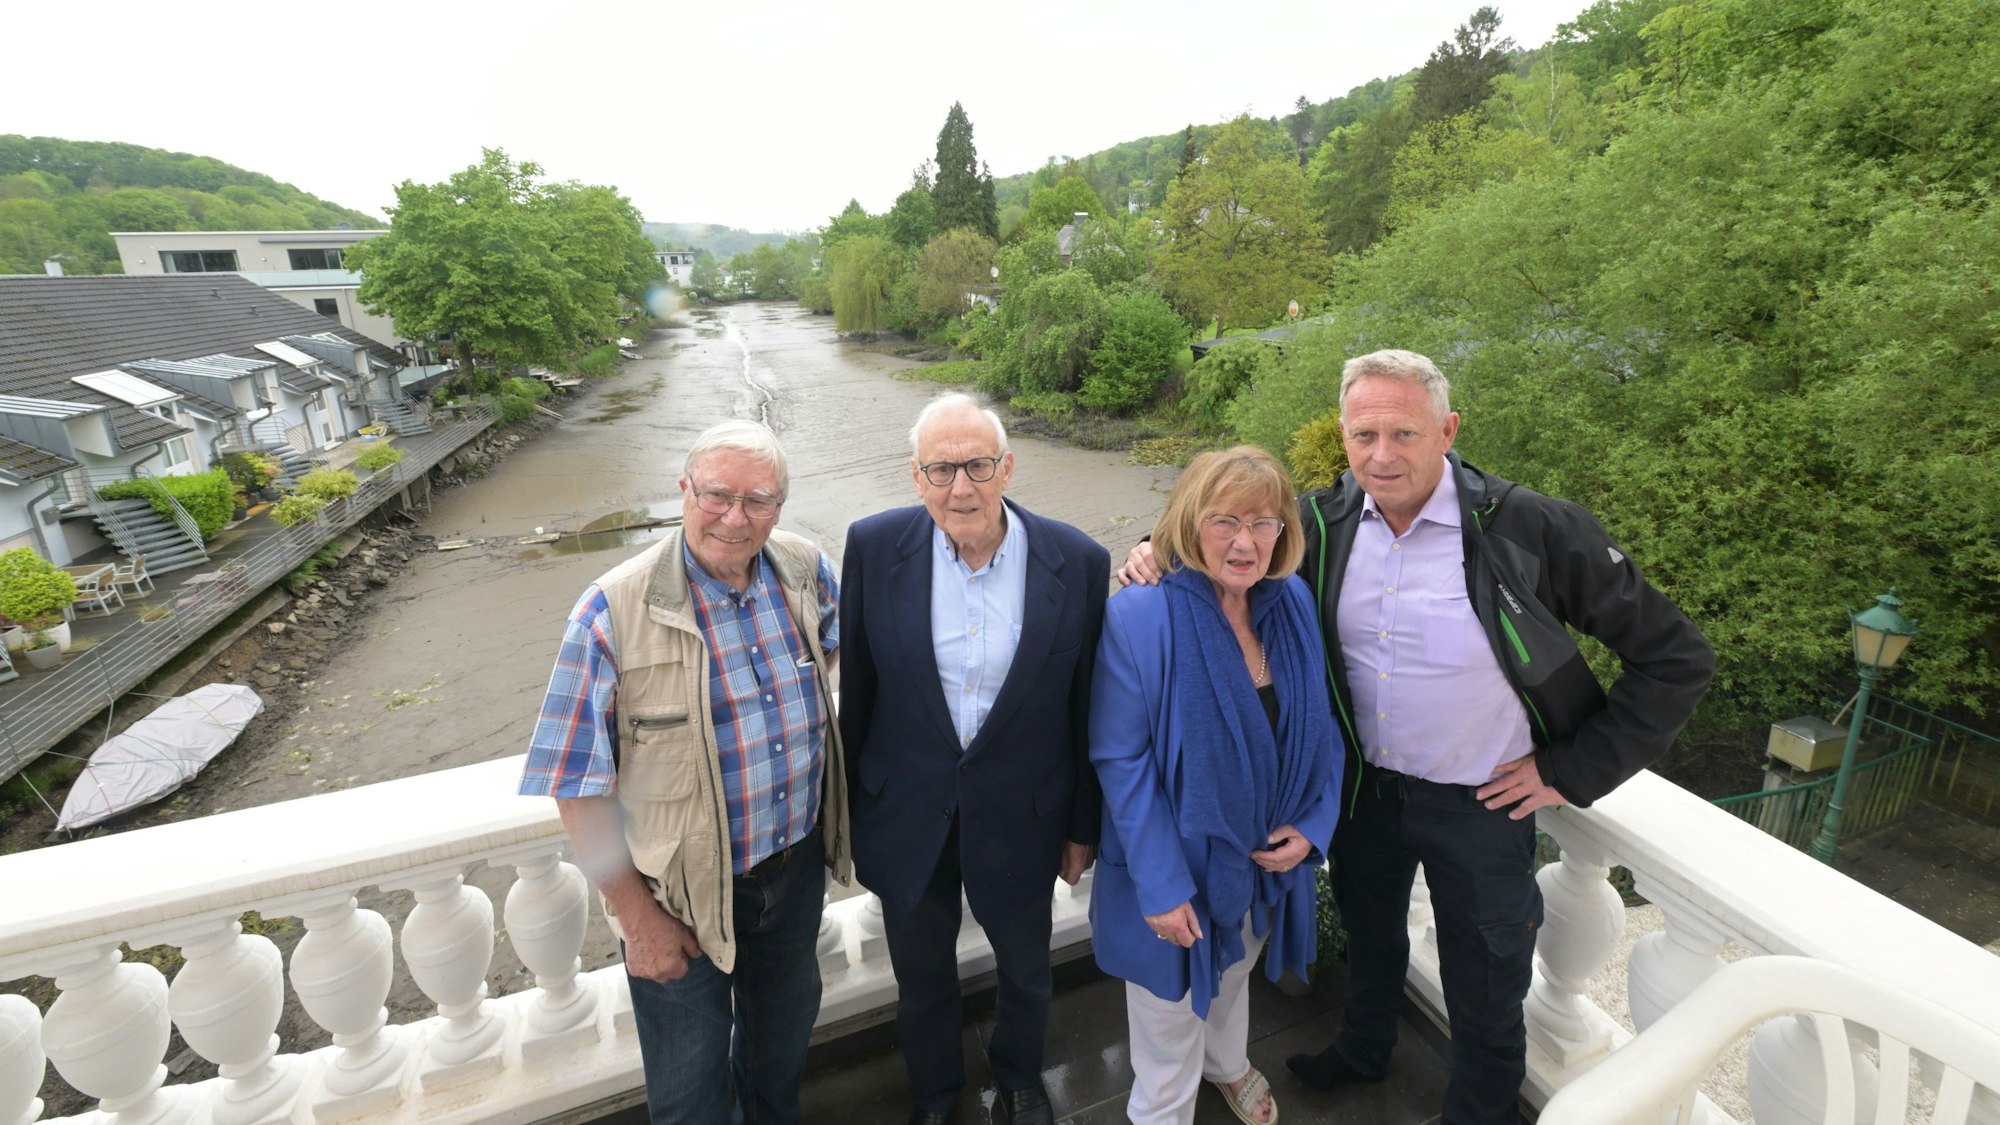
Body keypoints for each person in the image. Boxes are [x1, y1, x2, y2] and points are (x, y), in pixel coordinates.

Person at [1121, 350, 1714, 1124]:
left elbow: (1676, 657)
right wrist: (1150, 550)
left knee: (1488, 971)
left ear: (1448, 429)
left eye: (1405, 432)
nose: (1382, 454)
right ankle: (1365, 1050)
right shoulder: (1322, 523)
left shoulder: (1528, 527)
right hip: (1366, 789)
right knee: (1369, 938)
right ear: (1344, 434)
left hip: (1483, 799)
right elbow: (1226, 538)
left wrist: (1570, 769)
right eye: (1364, 434)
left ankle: (1479, 1111)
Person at [520, 419, 847, 1125]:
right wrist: (637, 918)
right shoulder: (611, 609)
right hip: (678, 899)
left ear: (781, 504)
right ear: (684, 491)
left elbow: (838, 652)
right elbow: (575, 783)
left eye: (758, 499)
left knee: (777, 1059)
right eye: (717, 495)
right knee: (691, 1092)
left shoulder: (805, 568)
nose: (735, 517)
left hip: (790, 878)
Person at [840, 393, 1109, 1125]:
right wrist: (856, 817)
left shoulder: (1078, 559)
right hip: (906, 812)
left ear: (1008, 466)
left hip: (1025, 814)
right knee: (921, 978)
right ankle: (935, 1094)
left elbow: (1087, 707)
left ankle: (1020, 1077)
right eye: (941, 469)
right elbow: (857, 692)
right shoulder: (871, 545)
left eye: (978, 465)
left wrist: (1083, 826)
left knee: (1027, 971)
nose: (961, 487)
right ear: (916, 475)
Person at [1089, 446, 1344, 1125]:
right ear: (1188, 522)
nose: (1244, 540)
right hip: (1180, 869)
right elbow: (1122, 759)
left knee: (1234, 982)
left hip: (1260, 864)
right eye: (1224, 519)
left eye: (1264, 522)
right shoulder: (1142, 616)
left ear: (1285, 530)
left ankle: (1228, 1064)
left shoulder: (1289, 602)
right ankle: (1163, 1110)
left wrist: (1315, 826)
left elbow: (1321, 727)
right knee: (1168, 1021)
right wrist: (1161, 883)